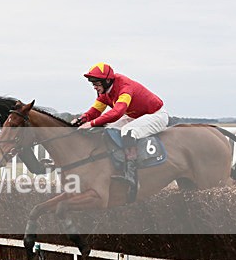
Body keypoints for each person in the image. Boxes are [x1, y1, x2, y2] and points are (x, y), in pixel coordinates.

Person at [70, 63, 168, 202]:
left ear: (107, 81)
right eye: (92, 83)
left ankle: (131, 176)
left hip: (156, 115)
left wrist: (92, 123)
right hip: (135, 116)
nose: (94, 87)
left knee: (128, 132)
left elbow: (117, 112)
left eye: (96, 83)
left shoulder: (124, 87)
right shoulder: (104, 93)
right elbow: (95, 111)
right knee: (109, 129)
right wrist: (81, 120)